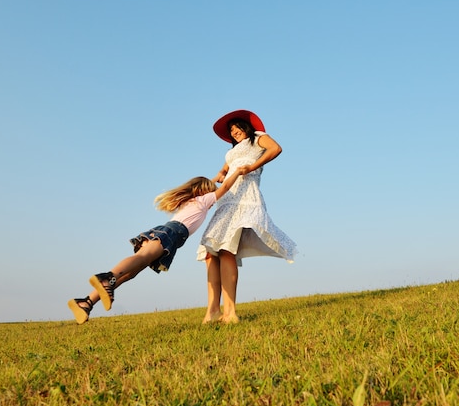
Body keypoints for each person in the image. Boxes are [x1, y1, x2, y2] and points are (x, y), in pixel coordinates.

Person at [67, 167, 249, 324]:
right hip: (172, 234)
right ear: (205, 192)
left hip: (166, 232)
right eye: (211, 189)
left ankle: (86, 303)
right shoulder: (203, 201)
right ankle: (107, 278)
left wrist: (215, 177)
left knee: (131, 272)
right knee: (140, 259)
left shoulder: (190, 200)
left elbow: (205, 185)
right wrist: (237, 173)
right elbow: (225, 187)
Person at [197, 109, 297, 324]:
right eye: (231, 131)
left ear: (246, 128)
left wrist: (252, 166)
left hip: (244, 198)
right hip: (226, 199)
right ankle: (213, 310)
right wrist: (212, 181)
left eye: (238, 128)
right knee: (209, 251)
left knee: (226, 250)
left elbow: (276, 149)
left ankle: (230, 312)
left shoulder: (258, 138)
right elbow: (222, 172)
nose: (235, 132)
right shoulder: (232, 152)